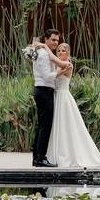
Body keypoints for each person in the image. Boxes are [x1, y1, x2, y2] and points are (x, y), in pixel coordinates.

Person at [46, 42, 100, 168]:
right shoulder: (56, 64)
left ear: (68, 53)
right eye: (58, 51)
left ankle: (67, 154)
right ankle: (54, 153)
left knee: (66, 125)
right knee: (56, 124)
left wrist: (45, 48)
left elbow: (55, 74)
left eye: (63, 51)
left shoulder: (68, 65)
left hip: (63, 97)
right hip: (55, 97)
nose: (60, 53)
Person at [28, 28, 70, 168]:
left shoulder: (44, 52)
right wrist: (59, 73)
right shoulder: (44, 55)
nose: (55, 42)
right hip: (44, 91)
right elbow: (47, 76)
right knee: (45, 126)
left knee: (41, 126)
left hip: (42, 91)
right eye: (53, 39)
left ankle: (37, 158)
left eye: (57, 40)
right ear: (45, 39)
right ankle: (41, 158)